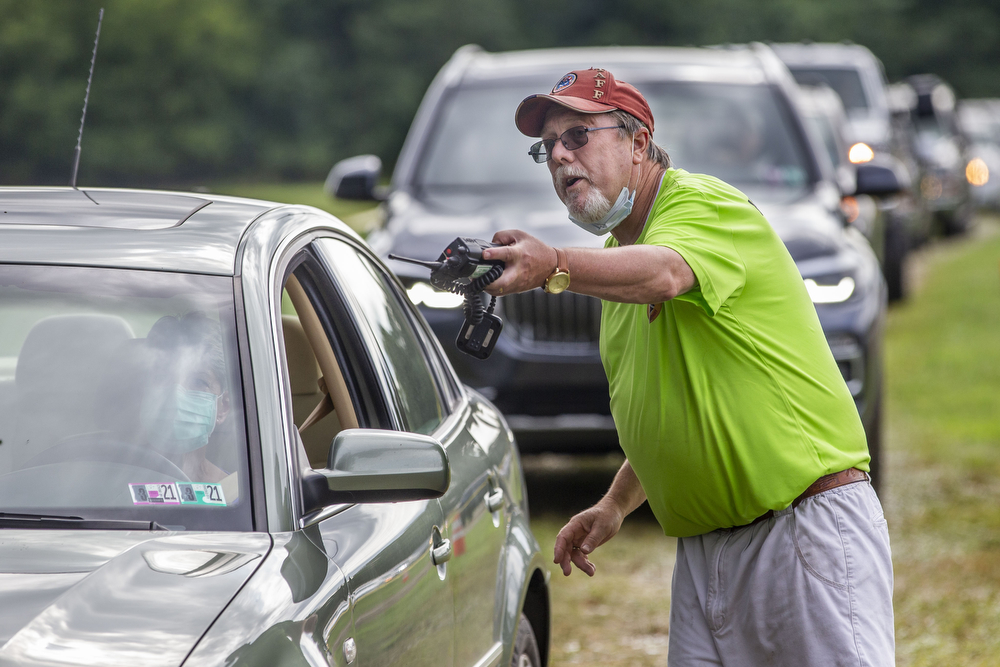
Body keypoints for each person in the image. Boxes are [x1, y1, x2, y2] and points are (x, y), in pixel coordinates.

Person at [481, 68, 894, 665]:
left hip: (802, 529)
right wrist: (616, 504)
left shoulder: (703, 205)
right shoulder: (615, 262)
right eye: (547, 148)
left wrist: (554, 265)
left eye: (577, 136)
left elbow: (669, 272)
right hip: (705, 555)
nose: (560, 158)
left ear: (638, 143)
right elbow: (676, 409)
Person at [139, 312, 232, 483]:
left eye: (198, 381)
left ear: (223, 407)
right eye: (162, 376)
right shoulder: (108, 476)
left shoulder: (238, 497)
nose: (175, 395)